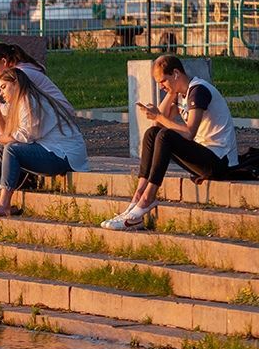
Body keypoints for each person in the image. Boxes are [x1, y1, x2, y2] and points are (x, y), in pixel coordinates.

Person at [101, 54, 239, 231]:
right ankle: (138, 197)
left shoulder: (199, 91)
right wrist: (171, 92)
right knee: (153, 133)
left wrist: (158, 114)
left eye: (163, 81)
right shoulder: (181, 94)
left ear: (175, 73)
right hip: (204, 156)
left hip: (220, 161)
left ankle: (146, 200)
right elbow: (157, 125)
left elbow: (189, 133)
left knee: (166, 136)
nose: (161, 86)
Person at [0, 66, 89, 217]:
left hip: (65, 156)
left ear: (16, 83)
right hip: (49, 150)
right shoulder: (21, 101)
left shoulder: (31, 101)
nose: (1, 93)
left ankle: (4, 204)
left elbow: (19, 138)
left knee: (11, 149)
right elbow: (6, 136)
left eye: (3, 87)